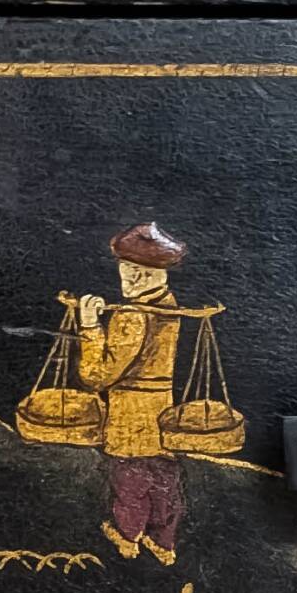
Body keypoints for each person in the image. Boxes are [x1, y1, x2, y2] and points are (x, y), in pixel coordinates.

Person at [71, 218, 196, 563]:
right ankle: (163, 542)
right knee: (163, 478)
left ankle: (128, 537)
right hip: (160, 409)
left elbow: (98, 375)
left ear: (163, 273)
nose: (134, 280)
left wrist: (89, 326)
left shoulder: (131, 315)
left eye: (145, 273)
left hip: (130, 415)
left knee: (130, 480)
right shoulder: (168, 304)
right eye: (128, 271)